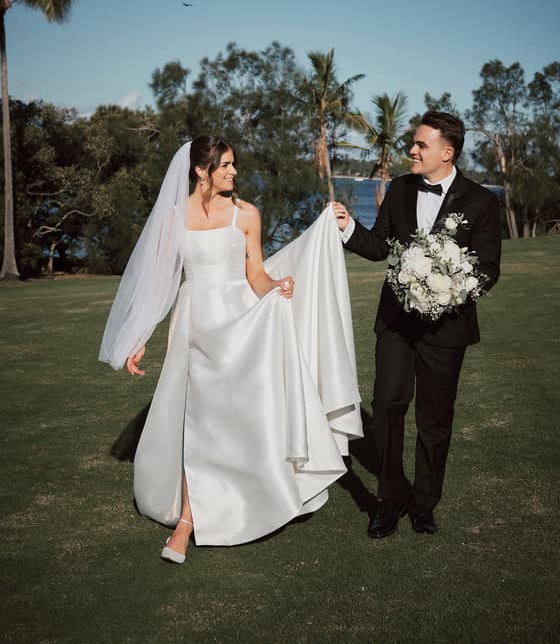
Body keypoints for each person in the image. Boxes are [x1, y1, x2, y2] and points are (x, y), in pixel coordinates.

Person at [100, 136, 362, 562]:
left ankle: (242, 499)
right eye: (224, 165)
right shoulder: (173, 218)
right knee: (196, 421)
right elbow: (158, 284)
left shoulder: (247, 214)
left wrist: (276, 286)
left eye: (233, 164)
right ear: (200, 170)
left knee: (234, 419)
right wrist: (139, 337)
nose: (233, 171)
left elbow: (255, 274)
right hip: (193, 325)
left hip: (239, 325)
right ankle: (187, 521)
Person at [332, 111, 501, 538]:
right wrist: (347, 226)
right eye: (413, 143)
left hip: (448, 328)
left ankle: (425, 503)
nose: (412, 150)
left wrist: (450, 290)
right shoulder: (400, 189)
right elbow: (379, 246)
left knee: (435, 419)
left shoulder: (482, 202)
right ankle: (390, 499)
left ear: (447, 152)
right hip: (396, 322)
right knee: (387, 406)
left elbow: (488, 269)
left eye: (421, 144)